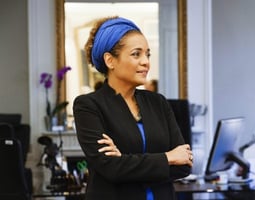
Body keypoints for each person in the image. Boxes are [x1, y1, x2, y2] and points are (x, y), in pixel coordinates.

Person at [73, 16, 193, 200]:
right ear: (110, 60)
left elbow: (184, 164)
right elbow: (110, 168)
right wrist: (168, 157)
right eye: (136, 54)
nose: (146, 62)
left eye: (147, 54)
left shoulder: (158, 102)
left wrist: (125, 161)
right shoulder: (88, 106)